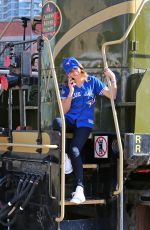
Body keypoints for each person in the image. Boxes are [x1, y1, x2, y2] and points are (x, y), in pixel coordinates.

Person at [53, 57, 117, 204]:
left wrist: (112, 78)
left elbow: (112, 95)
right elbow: (63, 110)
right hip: (70, 119)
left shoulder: (92, 82)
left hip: (84, 123)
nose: (73, 72)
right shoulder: (67, 86)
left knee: (74, 149)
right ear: (68, 74)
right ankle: (65, 159)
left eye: (74, 68)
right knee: (57, 122)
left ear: (80, 67)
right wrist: (70, 92)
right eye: (69, 71)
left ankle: (80, 189)